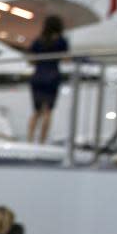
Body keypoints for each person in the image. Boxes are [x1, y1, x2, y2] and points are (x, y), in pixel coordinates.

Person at [27, 15, 68, 144]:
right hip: (52, 76)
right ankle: (42, 141)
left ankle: (30, 139)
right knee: (48, 111)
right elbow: (66, 59)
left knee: (36, 111)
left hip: (38, 76)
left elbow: (31, 60)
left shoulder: (38, 40)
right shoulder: (61, 41)